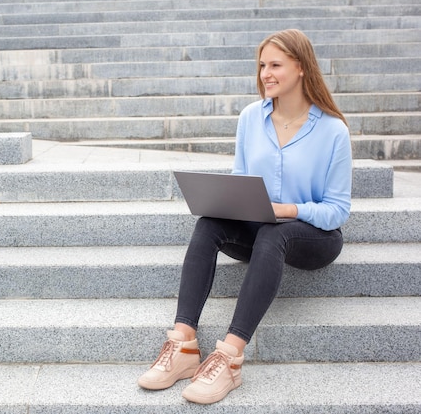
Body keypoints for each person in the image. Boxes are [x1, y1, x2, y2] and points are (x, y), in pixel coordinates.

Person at [137, 29, 352, 404]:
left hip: (313, 237)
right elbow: (242, 180)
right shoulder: (251, 118)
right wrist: (229, 203)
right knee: (208, 225)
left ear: (301, 68)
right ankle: (183, 345)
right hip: (261, 226)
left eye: (275, 65)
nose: (265, 73)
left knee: (275, 233)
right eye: (262, 65)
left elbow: (337, 210)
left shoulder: (333, 130)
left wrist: (286, 211)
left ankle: (230, 357)